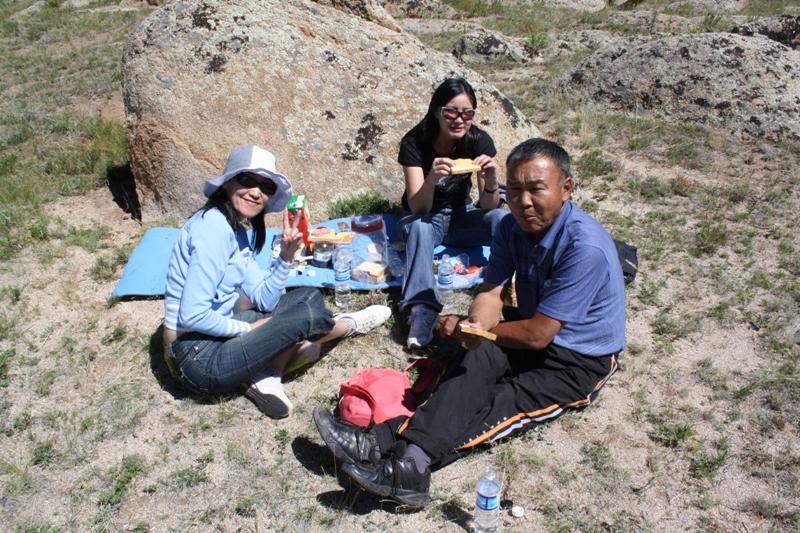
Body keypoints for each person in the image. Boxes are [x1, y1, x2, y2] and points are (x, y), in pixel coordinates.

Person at [313, 138, 626, 506]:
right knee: (472, 360)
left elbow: (540, 335)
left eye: (537, 189)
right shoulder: (513, 228)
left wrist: (480, 331)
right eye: (516, 190)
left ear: (566, 188)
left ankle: (402, 457)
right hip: (528, 325)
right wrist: (475, 327)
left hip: (577, 360)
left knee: (504, 398)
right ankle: (388, 451)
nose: (524, 201)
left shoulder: (583, 247)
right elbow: (491, 292)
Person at [164, 145, 391, 419]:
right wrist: (246, 328)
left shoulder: (234, 229)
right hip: (196, 358)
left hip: (212, 337)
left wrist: (285, 256)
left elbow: (264, 298)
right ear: (227, 183)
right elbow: (192, 316)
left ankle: (267, 375)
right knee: (307, 315)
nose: (256, 192)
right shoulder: (213, 228)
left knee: (307, 296)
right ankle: (348, 325)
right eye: (247, 180)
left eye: (266, 186)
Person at [397, 77, 507, 348]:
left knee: (502, 218)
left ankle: (511, 284)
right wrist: (432, 178)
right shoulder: (414, 142)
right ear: (437, 111)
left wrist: (491, 180)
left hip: (460, 216)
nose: (459, 119)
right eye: (451, 111)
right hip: (426, 218)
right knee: (420, 228)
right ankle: (422, 308)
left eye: (467, 113)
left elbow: (489, 206)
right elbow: (417, 207)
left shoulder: (478, 140)